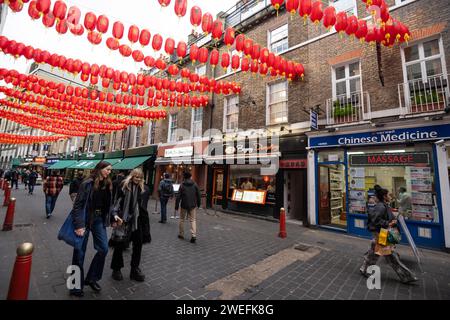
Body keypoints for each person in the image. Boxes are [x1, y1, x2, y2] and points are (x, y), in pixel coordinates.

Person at [359, 185, 418, 284]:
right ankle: (406, 276)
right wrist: (388, 223)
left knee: (375, 252)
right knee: (390, 255)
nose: (390, 196)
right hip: (381, 233)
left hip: (382, 233)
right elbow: (376, 220)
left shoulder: (383, 205)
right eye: (388, 195)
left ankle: (364, 269)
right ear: (384, 196)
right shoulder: (381, 206)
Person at [70, 161, 112, 297]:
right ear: (100, 169)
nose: (109, 172)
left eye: (110, 170)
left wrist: (113, 217)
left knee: (104, 249)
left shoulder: (107, 184)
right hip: (85, 220)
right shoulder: (87, 184)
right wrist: (78, 225)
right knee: (79, 253)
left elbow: (108, 206)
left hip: (99, 220)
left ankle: (92, 278)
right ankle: (75, 286)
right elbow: (77, 205)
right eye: (107, 169)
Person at [110, 168, 151, 282]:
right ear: (131, 176)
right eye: (136, 176)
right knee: (119, 245)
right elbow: (116, 202)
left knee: (138, 246)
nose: (138, 179)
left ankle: (134, 269)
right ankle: (116, 269)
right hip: (123, 220)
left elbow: (143, 207)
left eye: (140, 177)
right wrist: (115, 215)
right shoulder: (123, 186)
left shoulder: (145, 189)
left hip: (138, 222)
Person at [176, 171, 201, 243]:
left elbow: (178, 196)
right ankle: (193, 235)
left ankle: (181, 234)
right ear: (190, 177)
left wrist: (176, 205)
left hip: (184, 204)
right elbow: (198, 195)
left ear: (184, 177)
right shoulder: (195, 184)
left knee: (181, 219)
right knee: (193, 220)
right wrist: (199, 204)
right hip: (192, 205)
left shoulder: (182, 185)